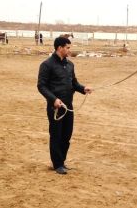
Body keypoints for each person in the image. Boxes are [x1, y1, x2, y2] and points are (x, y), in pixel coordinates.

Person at [37, 37, 92, 175]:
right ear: (59, 48)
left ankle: (61, 161)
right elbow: (41, 86)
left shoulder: (70, 65)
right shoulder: (47, 65)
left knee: (66, 136)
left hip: (69, 106)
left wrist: (83, 88)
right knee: (56, 135)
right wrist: (53, 99)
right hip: (55, 107)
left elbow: (74, 83)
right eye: (67, 47)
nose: (69, 50)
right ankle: (57, 164)